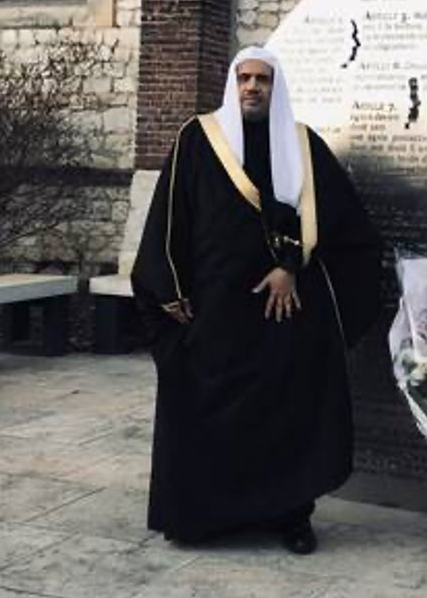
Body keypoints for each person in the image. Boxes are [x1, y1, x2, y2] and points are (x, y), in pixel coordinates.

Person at [131, 46, 381, 554]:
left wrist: (290, 266)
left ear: (275, 87)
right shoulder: (199, 139)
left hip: (283, 314)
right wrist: (168, 287)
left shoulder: (302, 144)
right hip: (216, 310)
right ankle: (213, 517)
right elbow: (170, 216)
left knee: (287, 414)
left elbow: (339, 221)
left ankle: (291, 517)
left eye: (262, 80)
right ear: (232, 83)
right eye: (244, 78)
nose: (252, 87)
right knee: (211, 409)